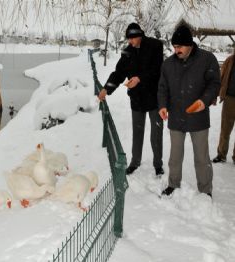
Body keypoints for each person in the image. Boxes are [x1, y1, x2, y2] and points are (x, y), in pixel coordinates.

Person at [158, 25, 220, 197]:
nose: (176, 50)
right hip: (176, 117)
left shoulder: (207, 59)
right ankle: (173, 184)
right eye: (174, 47)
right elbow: (162, 88)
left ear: (190, 44)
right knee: (174, 157)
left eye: (180, 47)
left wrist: (204, 100)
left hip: (198, 117)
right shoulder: (168, 64)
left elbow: (214, 83)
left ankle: (206, 190)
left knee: (202, 158)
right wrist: (163, 105)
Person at [98, 22, 164, 176]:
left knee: (156, 133)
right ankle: (135, 162)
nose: (130, 42)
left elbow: (157, 70)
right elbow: (119, 73)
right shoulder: (128, 52)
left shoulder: (155, 46)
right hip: (137, 99)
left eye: (132, 39)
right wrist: (106, 88)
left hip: (155, 98)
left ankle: (158, 164)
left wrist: (139, 78)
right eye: (128, 39)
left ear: (139, 36)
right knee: (137, 132)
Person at [212, 49, 235, 165]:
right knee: (225, 129)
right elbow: (221, 77)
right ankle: (221, 155)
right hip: (229, 99)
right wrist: (216, 94)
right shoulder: (229, 60)